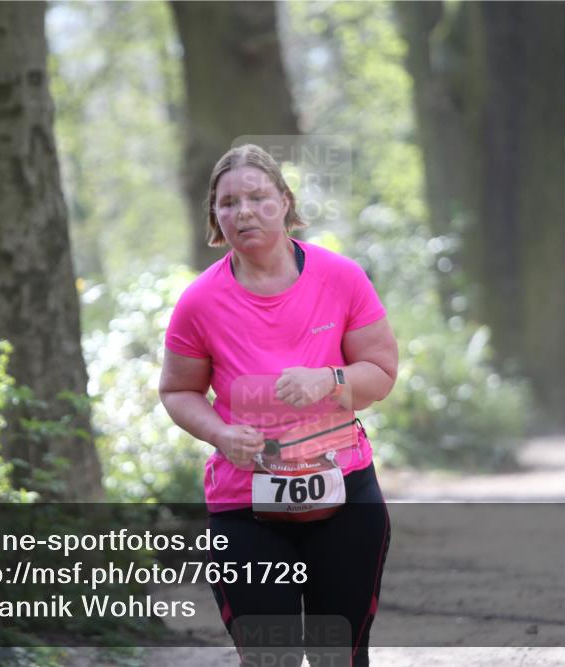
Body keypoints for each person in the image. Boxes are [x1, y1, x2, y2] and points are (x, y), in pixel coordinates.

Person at [158, 144, 398, 666]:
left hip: (344, 500)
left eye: (258, 197)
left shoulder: (340, 278)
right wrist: (220, 435)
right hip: (247, 511)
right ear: (215, 217)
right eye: (227, 203)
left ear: (285, 202)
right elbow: (177, 391)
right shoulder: (200, 301)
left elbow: (381, 374)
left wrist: (329, 380)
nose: (243, 211)